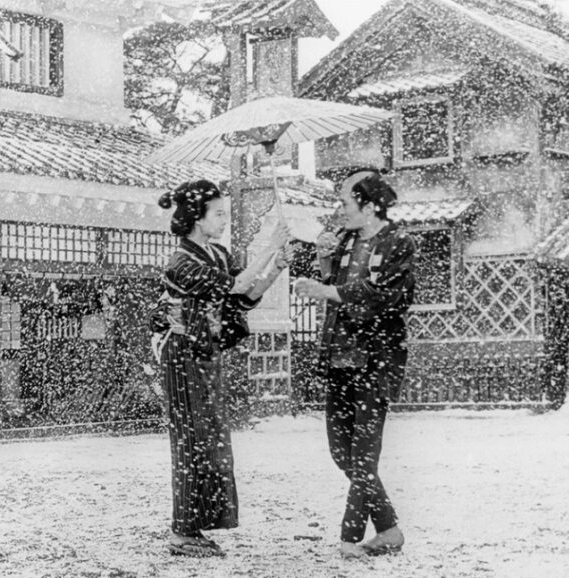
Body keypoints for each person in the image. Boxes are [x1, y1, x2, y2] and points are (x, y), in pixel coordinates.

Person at [152, 179, 290, 557]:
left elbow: (243, 298)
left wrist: (276, 267)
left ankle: (196, 524)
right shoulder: (181, 261)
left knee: (211, 440)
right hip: (182, 354)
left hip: (206, 352)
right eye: (218, 213)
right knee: (191, 439)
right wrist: (270, 245)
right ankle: (182, 530)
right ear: (197, 218)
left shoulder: (216, 253)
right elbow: (234, 284)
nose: (224, 219)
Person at [292, 168, 416, 559]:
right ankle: (389, 529)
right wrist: (322, 258)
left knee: (364, 453)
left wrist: (327, 288)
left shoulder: (398, 242)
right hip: (339, 358)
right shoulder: (345, 240)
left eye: (345, 202)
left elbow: (382, 297)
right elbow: (330, 281)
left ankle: (349, 538)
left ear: (370, 204)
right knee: (342, 452)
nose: (340, 210)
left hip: (376, 360)